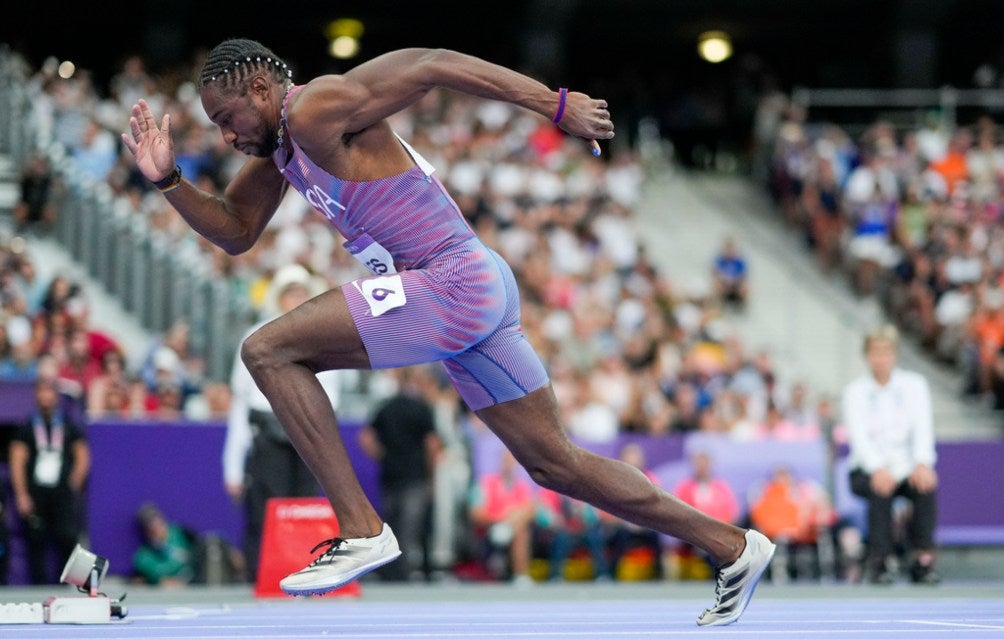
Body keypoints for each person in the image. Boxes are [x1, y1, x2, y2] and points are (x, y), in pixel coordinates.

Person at [121, 38, 774, 625]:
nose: (225, 135)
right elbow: (235, 230)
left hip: (451, 282)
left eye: (226, 118)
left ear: (260, 92)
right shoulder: (283, 153)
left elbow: (433, 64)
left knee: (267, 350)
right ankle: (733, 545)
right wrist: (167, 180)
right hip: (473, 292)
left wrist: (556, 104)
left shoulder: (314, 107)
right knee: (555, 463)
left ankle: (360, 528)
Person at [222, 263, 339, 581]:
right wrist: (232, 465)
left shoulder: (322, 337)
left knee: (304, 509)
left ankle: (303, 574)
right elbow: (240, 404)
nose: (297, 298)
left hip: (306, 436)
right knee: (265, 509)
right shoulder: (257, 336)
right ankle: (260, 577)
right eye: (291, 292)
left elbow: (330, 401)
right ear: (279, 297)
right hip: (268, 436)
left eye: (302, 291)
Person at [842, 324, 940, 584]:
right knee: (880, 487)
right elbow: (859, 440)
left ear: (894, 354)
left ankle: (923, 559)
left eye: (886, 351)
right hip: (866, 469)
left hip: (907, 467)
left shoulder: (915, 385)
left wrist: (922, 463)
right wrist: (878, 468)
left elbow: (923, 429)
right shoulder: (855, 392)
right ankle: (882, 560)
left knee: (925, 484)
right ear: (867, 355)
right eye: (875, 352)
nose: (881, 358)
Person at [358, 366, 440, 582]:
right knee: (412, 528)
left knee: (392, 526)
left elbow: (365, 438)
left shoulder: (386, 408)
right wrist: (431, 475)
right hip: (415, 476)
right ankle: (410, 572)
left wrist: (383, 457)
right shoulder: (422, 408)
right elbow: (432, 445)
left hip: (391, 475)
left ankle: (392, 571)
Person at [8, 377, 90, 584]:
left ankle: (65, 587)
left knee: (66, 537)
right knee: (36, 540)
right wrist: (22, 494)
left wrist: (74, 482)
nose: (45, 396)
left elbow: (82, 453)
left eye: (49, 392)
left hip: (62, 491)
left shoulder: (68, 425)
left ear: (55, 396)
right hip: (36, 491)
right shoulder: (28, 426)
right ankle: (39, 587)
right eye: (41, 392)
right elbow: (17, 459)